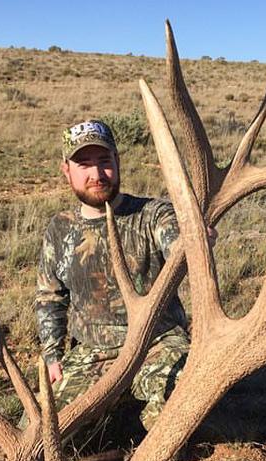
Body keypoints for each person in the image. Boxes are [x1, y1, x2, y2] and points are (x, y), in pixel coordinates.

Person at [34, 119, 207, 434]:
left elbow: (176, 240)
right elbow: (50, 298)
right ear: (66, 170)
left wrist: (193, 242)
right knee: (41, 433)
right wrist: (52, 355)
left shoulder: (152, 214)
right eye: (84, 164)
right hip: (93, 352)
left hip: (159, 343)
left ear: (117, 161)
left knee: (179, 417)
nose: (96, 174)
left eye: (104, 162)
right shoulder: (60, 229)